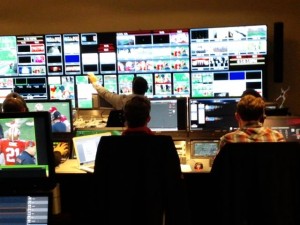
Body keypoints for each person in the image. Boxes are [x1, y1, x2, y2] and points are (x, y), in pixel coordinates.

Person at [218, 94, 285, 151]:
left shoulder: (227, 140)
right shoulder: (277, 137)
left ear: (237, 116)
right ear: (262, 117)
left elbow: (219, 166)